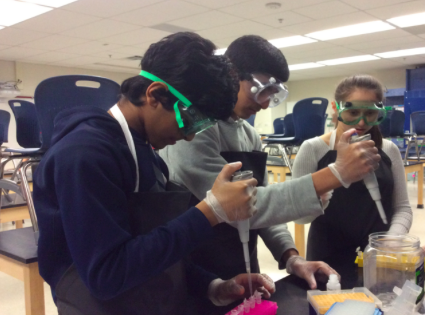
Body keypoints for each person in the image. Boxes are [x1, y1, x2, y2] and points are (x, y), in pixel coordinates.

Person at [33, 32, 276, 315]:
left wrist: (212, 286)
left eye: (198, 129)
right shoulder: (83, 156)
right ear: (154, 95)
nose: (187, 137)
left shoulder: (148, 155)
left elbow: (153, 247)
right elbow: (106, 276)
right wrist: (210, 212)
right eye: (187, 121)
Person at [159, 35, 381, 305]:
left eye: (272, 95)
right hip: (201, 278)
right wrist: (335, 174)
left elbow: (261, 204)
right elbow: (236, 208)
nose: (265, 103)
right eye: (261, 90)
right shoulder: (196, 133)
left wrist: (292, 257)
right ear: (230, 75)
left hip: (243, 272)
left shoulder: (249, 134)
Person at [292, 75, 413, 263]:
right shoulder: (312, 149)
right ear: (336, 108)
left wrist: (391, 241)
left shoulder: (389, 150)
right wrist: (320, 195)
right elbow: (299, 217)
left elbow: (403, 208)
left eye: (370, 113)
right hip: (326, 258)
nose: (362, 122)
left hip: (380, 255)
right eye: (353, 112)